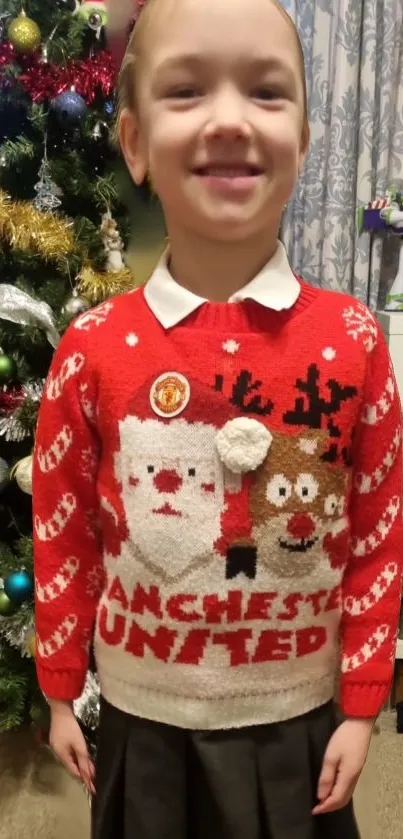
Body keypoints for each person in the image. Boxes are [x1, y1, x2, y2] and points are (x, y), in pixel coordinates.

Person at [32, 0, 403, 837]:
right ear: (133, 144)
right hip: (142, 722)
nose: (230, 120)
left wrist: (361, 698)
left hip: (297, 723)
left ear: (304, 143)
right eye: (188, 90)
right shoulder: (91, 347)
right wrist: (60, 687)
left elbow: (381, 528)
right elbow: (65, 530)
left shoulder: (352, 339)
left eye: (267, 93)